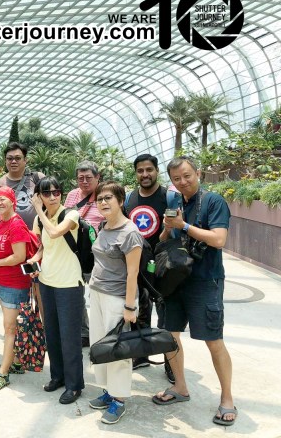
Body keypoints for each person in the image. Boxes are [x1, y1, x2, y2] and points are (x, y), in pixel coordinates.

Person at [152, 156, 236, 427]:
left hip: (205, 280)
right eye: (176, 178)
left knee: (213, 339)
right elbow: (166, 239)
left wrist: (184, 226)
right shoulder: (175, 203)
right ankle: (180, 386)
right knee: (169, 334)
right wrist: (168, 229)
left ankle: (227, 398)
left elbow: (219, 239)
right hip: (176, 279)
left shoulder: (213, 201)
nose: (183, 182)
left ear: (197, 173)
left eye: (187, 175)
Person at [87, 181, 142, 424]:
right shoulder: (104, 226)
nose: (103, 202)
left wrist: (130, 306)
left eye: (108, 198)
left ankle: (119, 400)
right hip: (97, 293)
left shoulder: (130, 232)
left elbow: (133, 273)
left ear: (120, 201)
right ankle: (108, 391)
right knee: (100, 345)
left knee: (118, 349)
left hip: (117, 299)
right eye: (100, 199)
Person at [29, 177, 84, 404]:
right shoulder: (40, 220)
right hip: (47, 281)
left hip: (69, 283)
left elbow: (55, 233)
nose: (52, 197)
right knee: (51, 333)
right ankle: (58, 376)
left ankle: (74, 385)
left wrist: (38, 210)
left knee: (69, 336)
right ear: (39, 195)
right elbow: (44, 244)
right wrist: (35, 259)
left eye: (56, 192)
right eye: (46, 193)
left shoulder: (71, 214)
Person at [124, 154, 176, 380]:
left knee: (167, 316)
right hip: (139, 265)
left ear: (156, 171)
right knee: (141, 310)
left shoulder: (169, 197)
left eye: (149, 170)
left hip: (164, 263)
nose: (145, 174)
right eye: (140, 171)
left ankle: (171, 362)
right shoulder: (129, 199)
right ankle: (141, 354)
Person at [0, 186, 31, 392]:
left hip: (14, 284)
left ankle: (3, 373)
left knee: (10, 329)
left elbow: (19, 256)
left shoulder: (16, 224)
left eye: (3, 199)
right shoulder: (1, 222)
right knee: (14, 327)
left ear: (13, 201)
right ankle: (17, 362)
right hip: (2, 281)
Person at [0, 142, 45, 320]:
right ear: (5, 161)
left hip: (38, 245)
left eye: (18, 158)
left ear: (25, 160)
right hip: (14, 248)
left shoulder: (37, 178)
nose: (13, 161)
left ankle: (45, 330)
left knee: (41, 296)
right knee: (22, 298)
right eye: (10, 158)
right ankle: (27, 332)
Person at [64, 160, 104, 347]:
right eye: (81, 178)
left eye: (89, 178)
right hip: (75, 251)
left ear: (97, 177)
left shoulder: (104, 195)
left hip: (98, 253)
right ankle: (84, 332)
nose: (85, 181)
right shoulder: (72, 195)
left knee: (99, 293)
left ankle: (101, 333)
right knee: (75, 293)